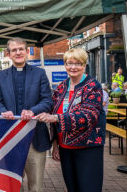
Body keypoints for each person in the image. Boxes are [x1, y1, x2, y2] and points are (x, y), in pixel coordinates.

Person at [35, 48, 105, 192]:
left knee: (88, 188)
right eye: (69, 63)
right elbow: (53, 114)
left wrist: (56, 117)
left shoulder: (93, 86)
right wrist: (55, 145)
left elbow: (89, 115)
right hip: (65, 148)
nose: (73, 67)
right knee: (71, 187)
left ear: (84, 65)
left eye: (78, 63)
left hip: (87, 147)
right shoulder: (61, 87)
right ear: (65, 65)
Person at [0, 37, 53, 192]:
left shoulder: (40, 74)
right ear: (8, 54)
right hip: (9, 139)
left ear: (27, 52)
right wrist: (2, 111)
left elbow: (48, 100)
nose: (18, 52)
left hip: (36, 139)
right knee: (12, 186)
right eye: (14, 50)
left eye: (21, 49)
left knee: (36, 187)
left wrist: (33, 110)